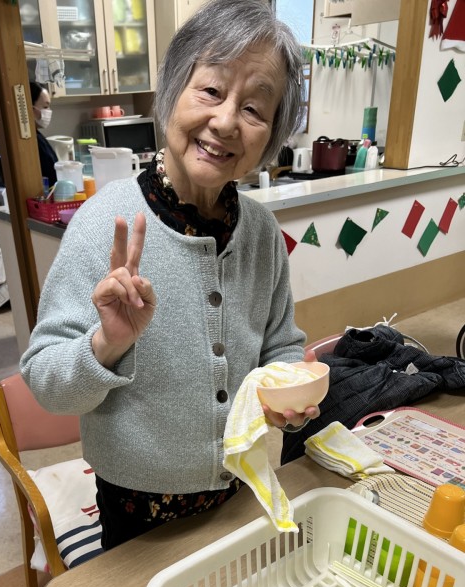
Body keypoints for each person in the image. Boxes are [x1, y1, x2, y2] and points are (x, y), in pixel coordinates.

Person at [20, 0, 320, 551]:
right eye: (211, 90)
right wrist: (107, 343)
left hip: (241, 486)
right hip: (138, 503)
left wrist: (290, 396)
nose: (226, 122)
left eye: (254, 109)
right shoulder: (102, 224)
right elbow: (46, 382)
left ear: (272, 132)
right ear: (172, 90)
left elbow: (279, 347)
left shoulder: (260, 232)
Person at [29, 81, 58, 187]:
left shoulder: (36, 136)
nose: (48, 111)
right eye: (45, 107)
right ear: (30, 108)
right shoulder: (30, 141)